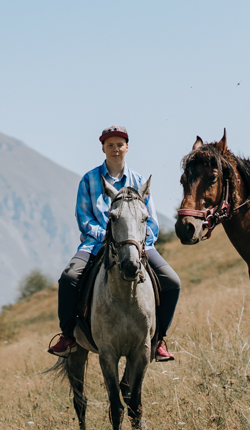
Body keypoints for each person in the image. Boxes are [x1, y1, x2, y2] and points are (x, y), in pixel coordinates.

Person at [47, 126, 181, 360]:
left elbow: (151, 222)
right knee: (68, 279)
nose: (115, 149)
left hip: (138, 247)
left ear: (127, 147)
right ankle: (68, 337)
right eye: (110, 145)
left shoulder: (139, 181)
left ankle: (158, 339)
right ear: (103, 148)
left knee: (172, 282)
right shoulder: (89, 180)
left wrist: (137, 242)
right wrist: (109, 238)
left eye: (120, 144)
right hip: (95, 246)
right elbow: (84, 218)